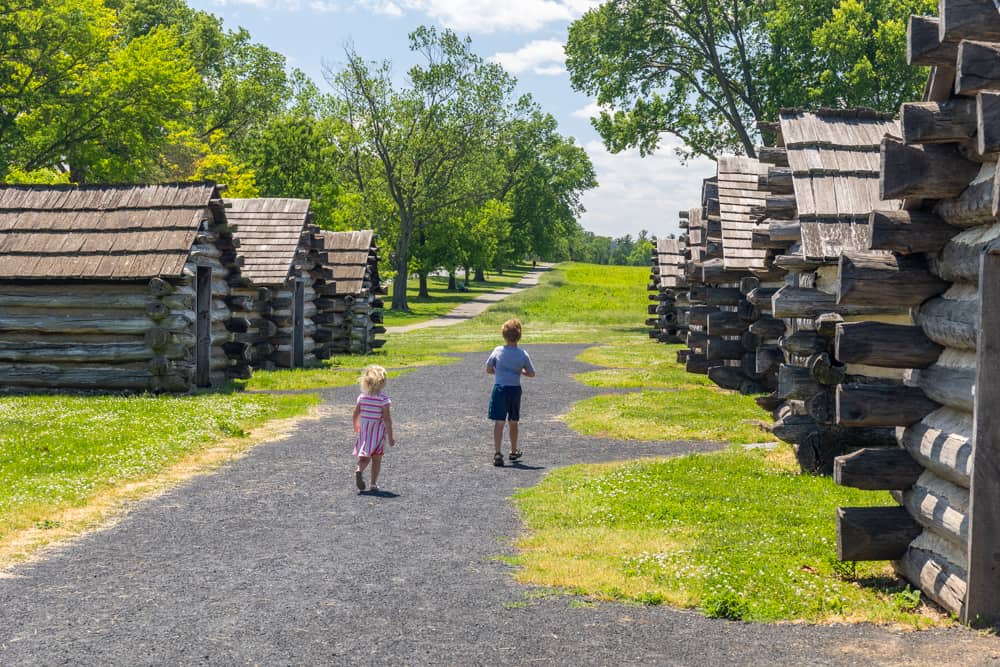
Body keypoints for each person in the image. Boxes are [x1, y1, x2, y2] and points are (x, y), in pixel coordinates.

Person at [485, 318, 536, 466]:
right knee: (513, 421)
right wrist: (521, 371)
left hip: (500, 388)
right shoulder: (523, 354)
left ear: (504, 335)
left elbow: (488, 369)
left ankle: (498, 453)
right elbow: (532, 373)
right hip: (515, 390)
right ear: (519, 335)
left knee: (499, 422)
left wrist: (498, 371)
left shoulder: (497, 350)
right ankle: (513, 451)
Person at [353, 365, 395, 492]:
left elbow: (355, 413)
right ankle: (373, 484)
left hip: (365, 433)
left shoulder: (362, 397)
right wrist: (391, 437)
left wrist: (356, 424)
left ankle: (359, 470)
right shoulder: (384, 400)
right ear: (382, 382)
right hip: (377, 434)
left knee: (364, 458)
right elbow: (387, 420)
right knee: (376, 459)